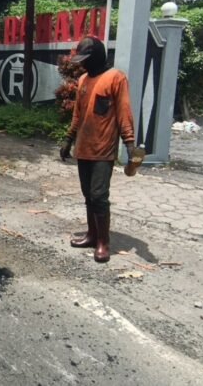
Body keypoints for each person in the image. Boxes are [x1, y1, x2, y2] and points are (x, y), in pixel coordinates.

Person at [60, 36, 136, 263]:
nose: (83, 65)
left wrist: (130, 144)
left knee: (99, 196)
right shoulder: (83, 80)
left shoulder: (116, 78)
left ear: (98, 57)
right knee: (87, 195)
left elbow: (124, 113)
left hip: (103, 149)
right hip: (83, 146)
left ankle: (104, 242)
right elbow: (78, 114)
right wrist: (68, 139)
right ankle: (92, 235)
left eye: (86, 60)